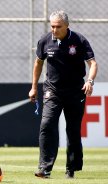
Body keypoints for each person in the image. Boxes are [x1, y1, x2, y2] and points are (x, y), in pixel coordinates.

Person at [28, 10, 98, 179]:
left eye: (58, 26)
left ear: (67, 26)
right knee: (46, 124)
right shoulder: (45, 41)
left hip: (75, 91)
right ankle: (44, 168)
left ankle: (71, 168)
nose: (54, 29)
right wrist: (34, 87)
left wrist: (90, 81)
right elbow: (38, 63)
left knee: (73, 130)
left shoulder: (79, 40)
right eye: (52, 26)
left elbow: (93, 63)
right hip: (53, 90)